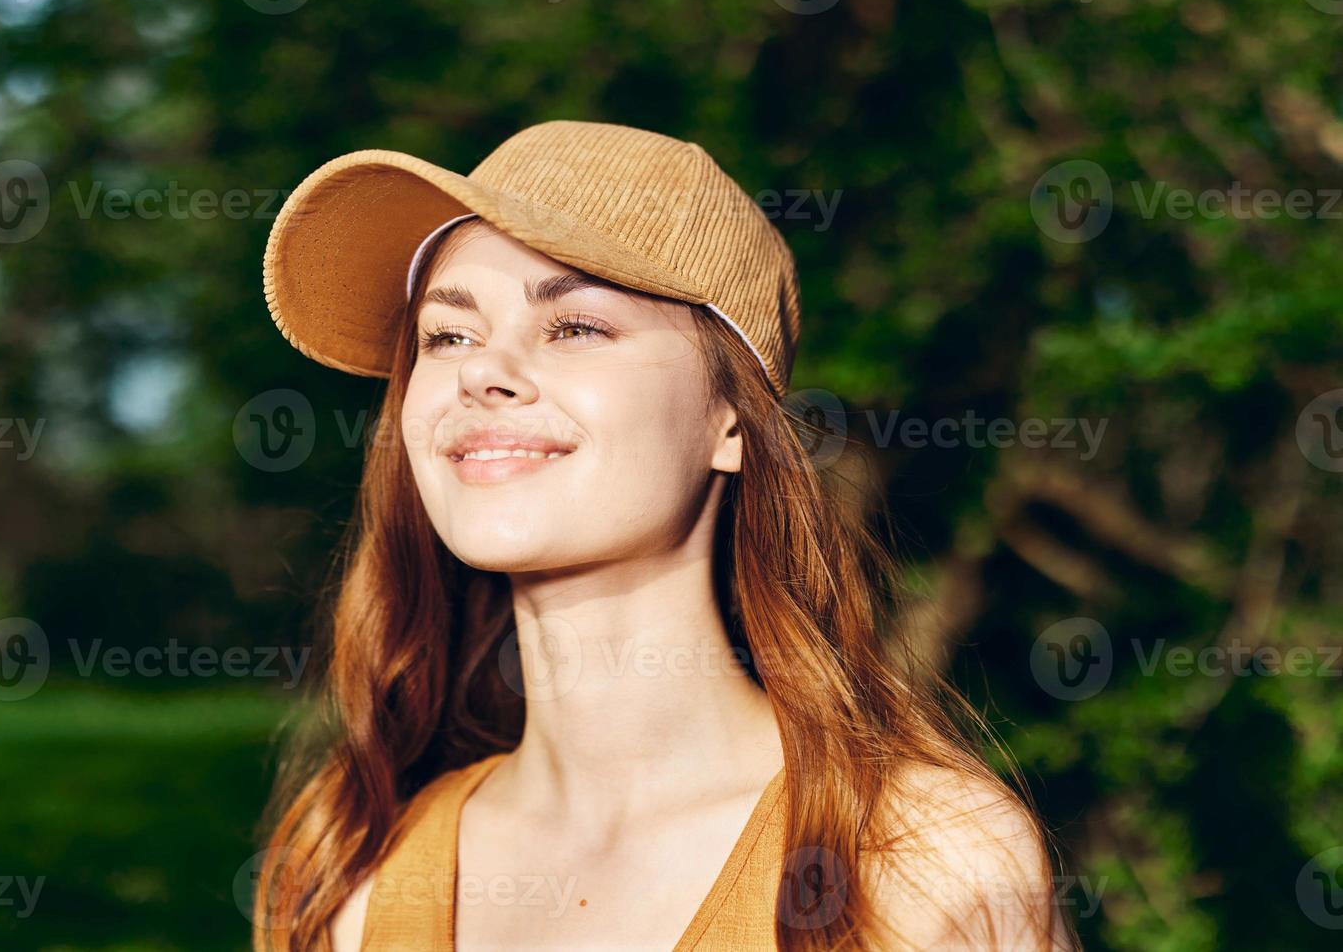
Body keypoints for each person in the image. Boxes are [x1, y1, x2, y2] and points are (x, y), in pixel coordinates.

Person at [253, 120, 1078, 951]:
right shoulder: (353, 874)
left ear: (731, 421)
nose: (477, 370)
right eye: (447, 335)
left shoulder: (920, 863)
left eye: (574, 326)